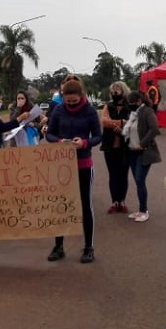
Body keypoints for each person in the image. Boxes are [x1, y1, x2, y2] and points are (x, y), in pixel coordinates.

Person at [44, 78, 102, 263]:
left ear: (81, 96)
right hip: (62, 165)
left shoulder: (90, 111)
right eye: (67, 101)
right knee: (60, 205)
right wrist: (60, 141)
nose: (70, 104)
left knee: (85, 205)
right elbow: (49, 134)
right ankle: (58, 246)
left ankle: (88, 247)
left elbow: (98, 136)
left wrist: (84, 142)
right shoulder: (59, 110)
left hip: (83, 163)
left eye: (74, 101)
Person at [122, 90, 161, 222]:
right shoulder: (134, 114)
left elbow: (154, 128)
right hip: (132, 151)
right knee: (138, 181)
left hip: (143, 152)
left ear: (139, 101)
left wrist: (143, 143)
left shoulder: (147, 112)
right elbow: (131, 130)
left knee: (140, 180)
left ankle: (144, 210)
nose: (130, 105)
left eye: (132, 102)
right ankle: (141, 210)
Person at [99, 81, 132, 214]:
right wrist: (121, 122)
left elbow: (132, 123)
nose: (114, 92)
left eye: (117, 90)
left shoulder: (130, 106)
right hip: (109, 146)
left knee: (123, 175)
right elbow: (104, 122)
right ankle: (114, 202)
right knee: (113, 175)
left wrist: (120, 125)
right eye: (112, 91)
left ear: (123, 91)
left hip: (125, 147)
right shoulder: (108, 106)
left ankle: (122, 201)